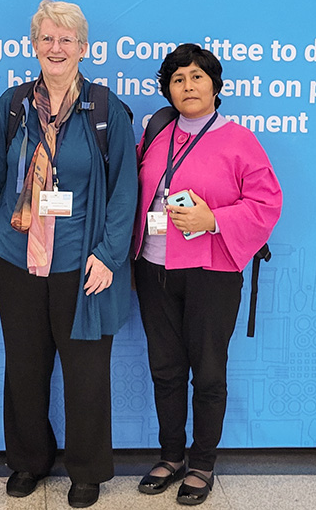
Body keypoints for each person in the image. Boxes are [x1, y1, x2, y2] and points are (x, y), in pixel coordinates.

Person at [0, 0, 137, 509]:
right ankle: (27, 461)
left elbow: (125, 188)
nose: (56, 48)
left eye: (67, 40)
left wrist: (108, 255)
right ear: (34, 45)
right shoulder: (14, 105)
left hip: (80, 263)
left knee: (86, 371)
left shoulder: (107, 110)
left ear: (84, 48)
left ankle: (86, 471)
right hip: (16, 257)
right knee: (24, 365)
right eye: (47, 38)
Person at [132, 44, 282, 505]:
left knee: (209, 370)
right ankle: (171, 455)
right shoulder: (156, 135)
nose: (188, 86)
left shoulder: (239, 139)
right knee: (165, 368)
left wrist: (212, 220)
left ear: (215, 86)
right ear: (168, 90)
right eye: (178, 80)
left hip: (211, 270)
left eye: (197, 77)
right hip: (153, 267)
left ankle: (202, 462)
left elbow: (266, 203)